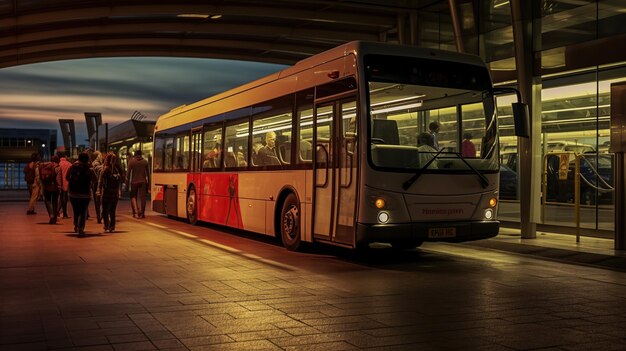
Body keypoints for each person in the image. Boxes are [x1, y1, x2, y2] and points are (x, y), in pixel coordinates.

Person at [66, 152, 97, 236]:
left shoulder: (73, 167)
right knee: (83, 212)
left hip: (73, 193)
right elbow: (95, 180)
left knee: (76, 211)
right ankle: (81, 228)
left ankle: (76, 225)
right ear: (87, 159)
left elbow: (67, 177)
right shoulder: (89, 169)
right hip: (85, 194)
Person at [96, 152, 125, 232]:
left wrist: (99, 190)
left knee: (105, 210)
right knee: (112, 211)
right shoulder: (118, 170)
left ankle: (106, 225)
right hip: (114, 193)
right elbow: (122, 178)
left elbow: (100, 181)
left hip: (106, 192)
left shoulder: (105, 169)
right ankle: (112, 226)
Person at [40, 155, 62, 224]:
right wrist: (60, 187)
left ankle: (51, 214)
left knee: (47, 201)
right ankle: (54, 218)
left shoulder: (46, 165)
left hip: (47, 186)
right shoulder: (58, 167)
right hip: (55, 188)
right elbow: (58, 179)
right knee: (54, 202)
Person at [127, 150, 149, 218]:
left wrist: (126, 184)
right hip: (143, 182)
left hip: (134, 182)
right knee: (143, 198)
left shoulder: (131, 161)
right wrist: (148, 184)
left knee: (133, 197)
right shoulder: (145, 162)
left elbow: (128, 174)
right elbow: (148, 174)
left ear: (135, 155)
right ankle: (142, 213)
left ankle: (135, 212)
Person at [57, 152, 72, 218]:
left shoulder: (58, 164)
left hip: (59, 183)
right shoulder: (69, 164)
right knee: (64, 198)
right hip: (67, 183)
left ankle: (58, 212)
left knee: (61, 198)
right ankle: (64, 213)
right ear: (65, 156)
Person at [91, 151, 104, 223]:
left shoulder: (92, 164)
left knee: (97, 202)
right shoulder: (100, 165)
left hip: (94, 184)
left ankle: (98, 215)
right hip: (100, 184)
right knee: (101, 201)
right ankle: (101, 215)